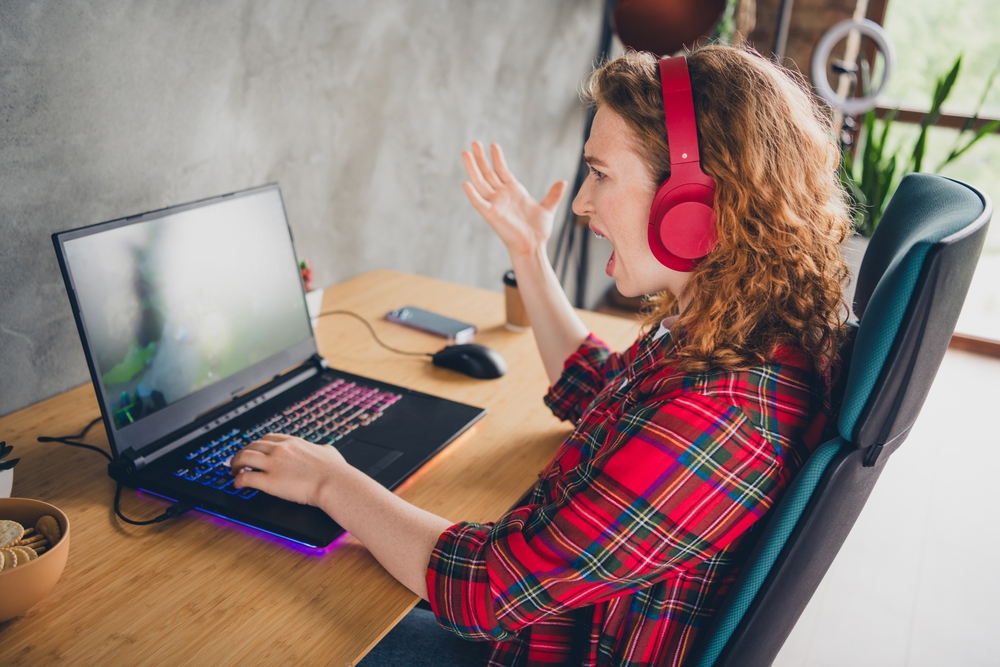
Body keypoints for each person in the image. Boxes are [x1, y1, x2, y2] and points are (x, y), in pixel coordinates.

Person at [230, 43, 852, 667]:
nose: (582, 203)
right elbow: (603, 395)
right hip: (547, 621)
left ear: (692, 204)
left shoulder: (723, 416)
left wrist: (328, 480)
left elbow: (487, 590)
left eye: (601, 174)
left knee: (264, 629)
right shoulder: (739, 346)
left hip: (527, 638)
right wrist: (529, 253)